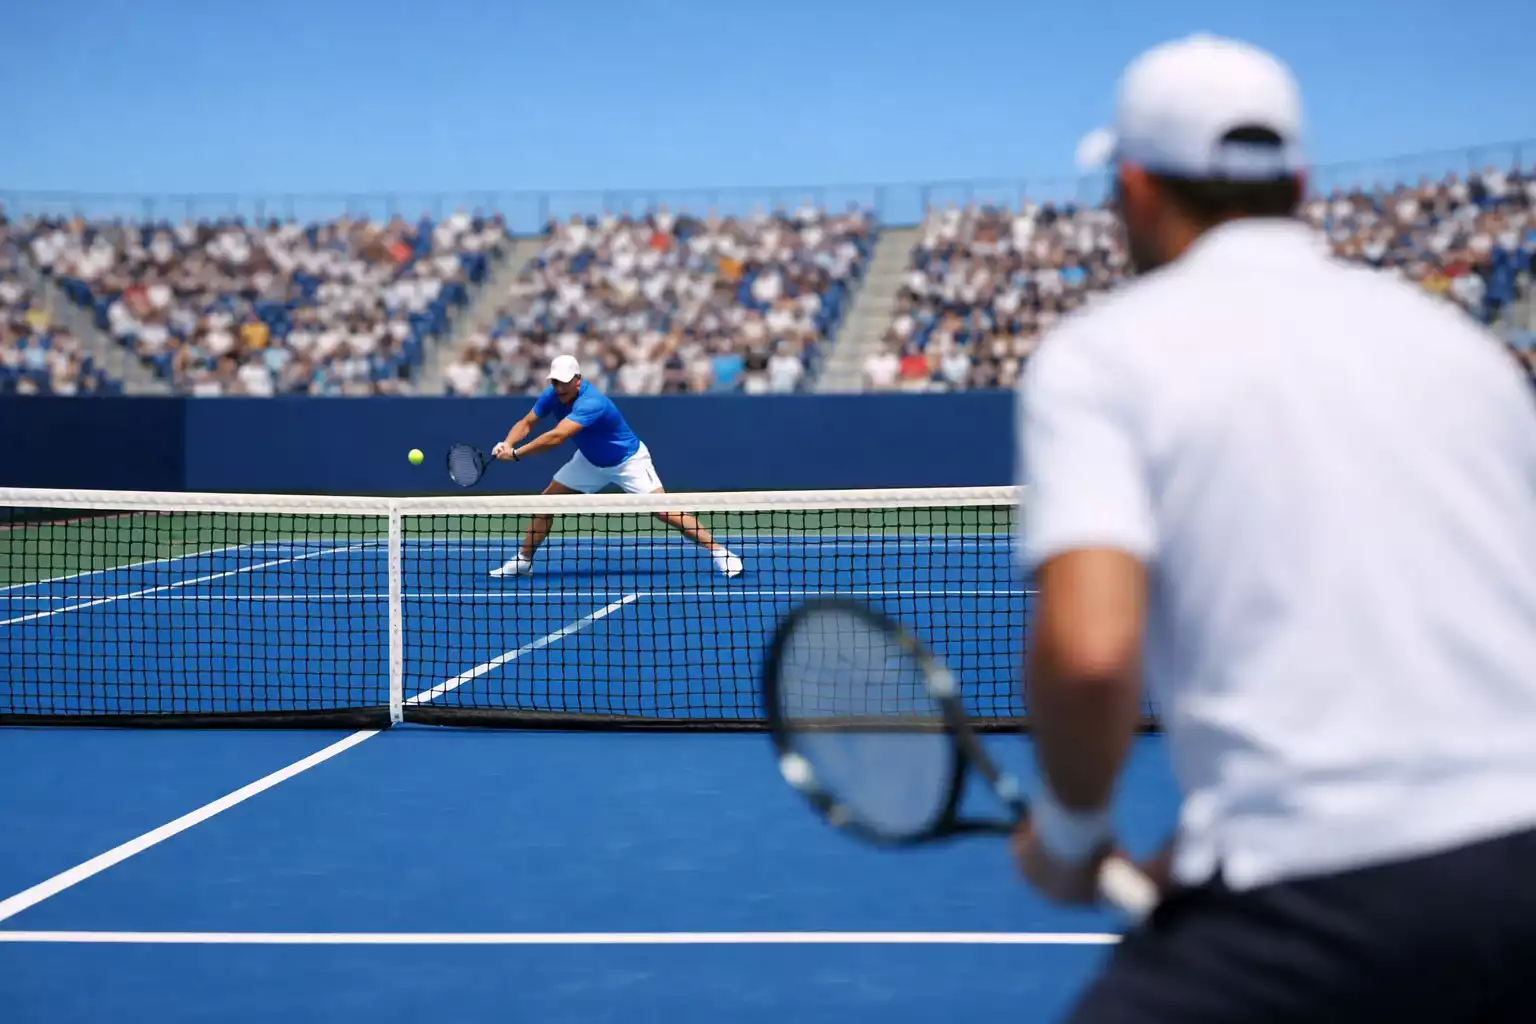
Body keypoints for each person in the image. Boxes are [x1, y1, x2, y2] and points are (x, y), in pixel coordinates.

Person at [1011, 33, 1536, 1022]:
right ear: (1296, 180)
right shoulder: (1462, 350)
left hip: (1320, 912)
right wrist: (1191, 862)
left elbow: (1088, 652)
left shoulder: (1100, 358)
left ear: (1132, 187)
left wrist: (1073, 836)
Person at [488, 354, 744, 579]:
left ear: (578, 379)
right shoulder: (551, 395)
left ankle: (721, 552)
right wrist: (507, 442)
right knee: (545, 503)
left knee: (665, 512)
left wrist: (517, 454)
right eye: (555, 382)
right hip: (589, 460)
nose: (559, 387)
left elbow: (557, 436)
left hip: (628, 461)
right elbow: (527, 422)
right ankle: (523, 561)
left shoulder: (592, 402)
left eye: (564, 382)